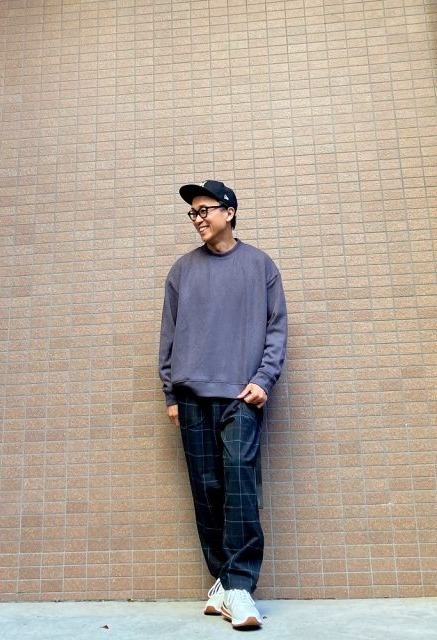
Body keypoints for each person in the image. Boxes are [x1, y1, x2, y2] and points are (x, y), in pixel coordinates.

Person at [158, 180, 287, 629]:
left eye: (204, 210)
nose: (198, 219)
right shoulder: (182, 270)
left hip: (240, 396)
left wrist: (263, 379)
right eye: (192, 213)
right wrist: (171, 393)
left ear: (228, 212)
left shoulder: (260, 265)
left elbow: (276, 328)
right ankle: (223, 583)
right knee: (207, 491)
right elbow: (169, 335)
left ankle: (240, 588)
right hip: (192, 396)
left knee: (239, 484)